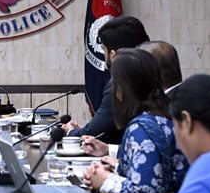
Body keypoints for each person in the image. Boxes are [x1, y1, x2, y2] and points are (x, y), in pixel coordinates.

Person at [82, 49, 188, 193]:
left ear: (121, 90)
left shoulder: (142, 127)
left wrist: (106, 180)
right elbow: (159, 171)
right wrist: (116, 169)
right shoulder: (164, 114)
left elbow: (147, 191)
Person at [82, 40, 183, 156]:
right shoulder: (161, 103)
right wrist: (108, 149)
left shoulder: (178, 107)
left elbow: (147, 170)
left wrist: (107, 175)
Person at [63, 16, 150, 144]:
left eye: (103, 49)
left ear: (113, 55)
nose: (103, 55)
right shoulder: (152, 74)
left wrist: (70, 131)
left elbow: (94, 131)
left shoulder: (120, 84)